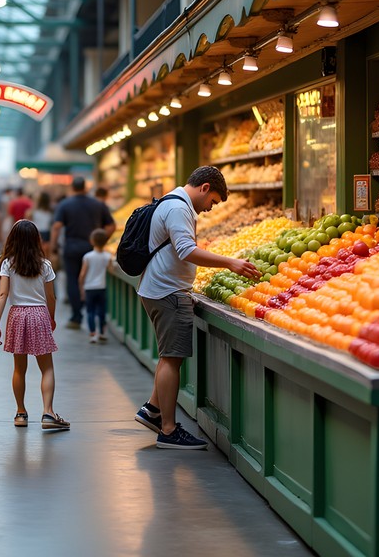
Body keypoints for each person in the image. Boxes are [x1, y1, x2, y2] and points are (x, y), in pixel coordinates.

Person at [134, 166, 261, 450]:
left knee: (168, 356)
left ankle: (152, 411)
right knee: (171, 358)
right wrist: (230, 261)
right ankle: (168, 430)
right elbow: (185, 250)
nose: (209, 209)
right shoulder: (179, 209)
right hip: (167, 291)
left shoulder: (172, 201)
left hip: (160, 288)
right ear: (204, 188)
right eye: (213, 201)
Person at [0, 220, 69, 431]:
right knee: (47, 368)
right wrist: (51, 318)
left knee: (19, 369)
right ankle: (48, 412)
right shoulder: (45, 265)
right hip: (39, 314)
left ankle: (20, 413)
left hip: (17, 315)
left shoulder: (8, 263)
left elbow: (2, 294)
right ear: (37, 240)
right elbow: (51, 296)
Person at [50, 177, 115, 329]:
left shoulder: (65, 204)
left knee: (72, 280)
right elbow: (111, 225)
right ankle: (94, 314)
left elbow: (57, 226)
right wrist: (101, 240)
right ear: (85, 187)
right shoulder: (97, 204)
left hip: (71, 248)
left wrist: (53, 246)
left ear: (72, 188)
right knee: (91, 279)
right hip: (91, 248)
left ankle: (76, 316)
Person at [79, 228, 112, 344]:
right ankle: (102, 332)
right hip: (101, 287)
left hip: (89, 288)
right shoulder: (107, 256)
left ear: (91, 241)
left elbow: (83, 274)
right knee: (101, 311)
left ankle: (93, 333)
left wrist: (81, 288)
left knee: (90, 311)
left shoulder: (88, 256)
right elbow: (111, 269)